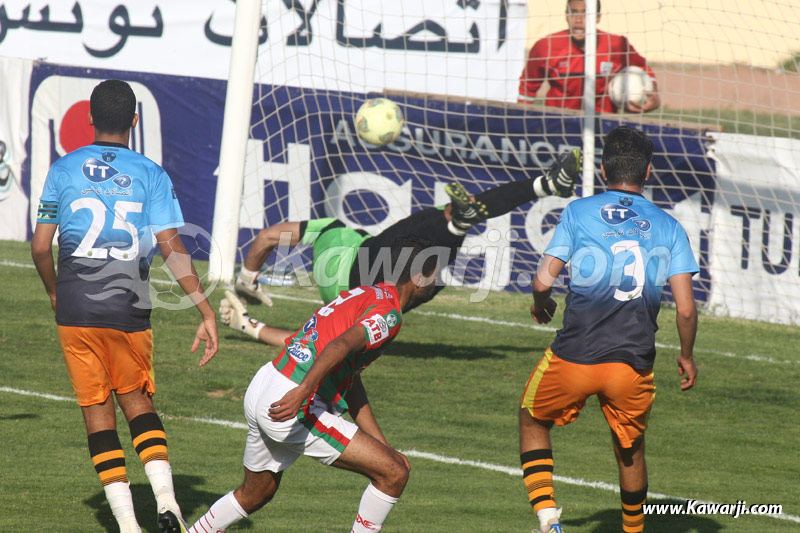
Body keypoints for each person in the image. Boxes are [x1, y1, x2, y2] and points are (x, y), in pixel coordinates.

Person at [30, 79, 219, 533]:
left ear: (90, 119)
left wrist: (55, 290)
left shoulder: (63, 169)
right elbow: (171, 245)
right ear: (135, 121)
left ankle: (129, 528)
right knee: (137, 402)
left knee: (97, 413)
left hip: (74, 307)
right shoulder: (151, 173)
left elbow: (40, 247)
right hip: (128, 307)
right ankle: (168, 503)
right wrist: (204, 310)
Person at [187, 236, 439, 533]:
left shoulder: (368, 293)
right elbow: (341, 345)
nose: (438, 283)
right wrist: (303, 392)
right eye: (435, 276)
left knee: (256, 493)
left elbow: (349, 378)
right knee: (393, 475)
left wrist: (383, 446)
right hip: (292, 399)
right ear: (418, 279)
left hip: (267, 382)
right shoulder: (389, 314)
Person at [518, 126, 697, 533]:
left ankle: (548, 518)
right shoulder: (669, 227)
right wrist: (685, 355)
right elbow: (685, 310)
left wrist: (542, 304)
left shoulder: (579, 211)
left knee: (532, 419)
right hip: (632, 364)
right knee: (630, 448)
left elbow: (543, 281)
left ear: (602, 170)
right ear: (648, 172)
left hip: (574, 355)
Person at [231, 148, 582, 326]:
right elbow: (266, 238)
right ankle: (536, 189)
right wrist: (248, 286)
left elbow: (264, 239)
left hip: (362, 297)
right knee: (437, 223)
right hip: (361, 274)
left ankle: (547, 186)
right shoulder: (331, 228)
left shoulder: (325, 232)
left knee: (432, 256)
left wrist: (247, 282)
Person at [518, 0, 661, 114]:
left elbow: (643, 67)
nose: (579, 20)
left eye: (586, 14)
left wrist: (653, 94)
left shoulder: (617, 45)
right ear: (566, 15)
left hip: (603, 124)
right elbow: (527, 87)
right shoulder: (546, 46)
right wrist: (521, 121)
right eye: (573, 12)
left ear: (598, 17)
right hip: (558, 124)